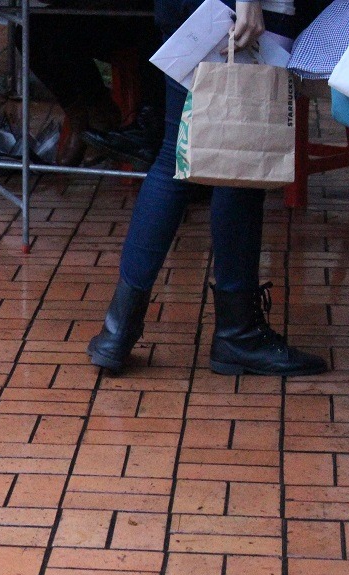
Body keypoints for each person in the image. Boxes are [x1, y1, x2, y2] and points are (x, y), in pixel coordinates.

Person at [86, 0, 327, 377]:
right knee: (239, 159)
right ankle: (238, 335)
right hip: (239, 8)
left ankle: (117, 332)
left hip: (192, 7)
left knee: (175, 158)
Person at [25, 5, 164, 166]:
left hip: (142, 21)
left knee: (48, 31)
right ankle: (88, 115)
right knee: (30, 32)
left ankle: (97, 116)